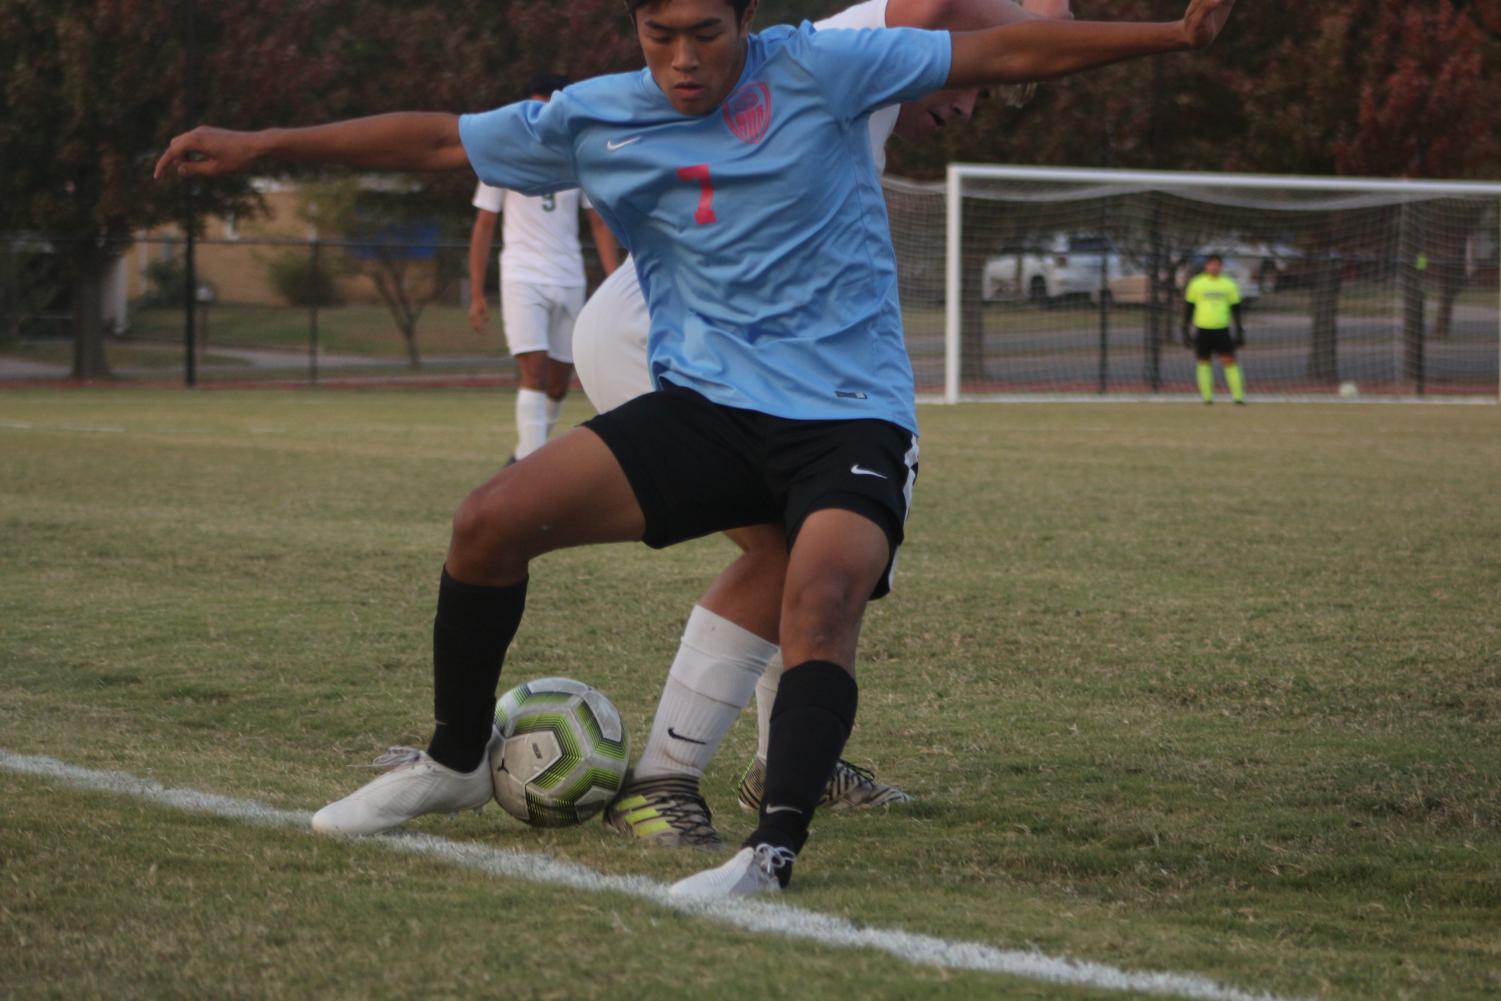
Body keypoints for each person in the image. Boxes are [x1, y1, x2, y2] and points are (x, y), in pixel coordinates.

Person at [156, 0, 1236, 897]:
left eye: (707, 32)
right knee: (487, 522)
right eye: (660, 32)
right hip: (709, 408)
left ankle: (768, 850)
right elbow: (439, 136)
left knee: (817, 595)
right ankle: (449, 760)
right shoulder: (596, 114)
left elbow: (1002, 49)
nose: (683, 57)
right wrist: (261, 146)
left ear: (746, 25)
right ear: (636, 30)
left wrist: (1171, 36)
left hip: (850, 416)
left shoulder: (824, 65)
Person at [585, 0, 1075, 852]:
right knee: (784, 556)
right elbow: (951, 13)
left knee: (819, 552)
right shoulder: (858, 42)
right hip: (664, 336)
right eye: (974, 85)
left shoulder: (858, 84)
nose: (966, 104)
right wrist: (1036, 15)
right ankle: (659, 779)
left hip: (724, 346)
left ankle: (785, 761)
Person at [468, 73, 620, 462]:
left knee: (558, 383)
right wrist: (476, 291)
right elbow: (484, 225)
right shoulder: (504, 156)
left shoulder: (578, 154)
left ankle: (521, 456)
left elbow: (598, 221)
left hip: (568, 276)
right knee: (532, 371)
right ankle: (529, 469)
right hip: (522, 275)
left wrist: (614, 277)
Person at [1181, 253, 1247, 404]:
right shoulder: (1196, 283)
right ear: (1206, 265)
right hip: (1203, 329)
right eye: (1211, 264)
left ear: (1221, 266)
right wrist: (1184, 329)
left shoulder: (1228, 284)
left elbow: (1236, 309)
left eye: (1217, 264)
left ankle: (1238, 397)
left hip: (1222, 329)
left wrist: (1239, 330)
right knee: (1203, 362)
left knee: (1229, 361)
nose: (1214, 267)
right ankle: (1207, 398)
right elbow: (1189, 307)